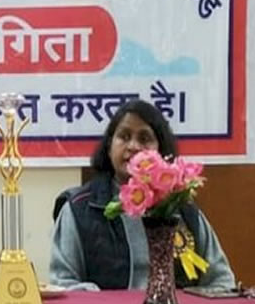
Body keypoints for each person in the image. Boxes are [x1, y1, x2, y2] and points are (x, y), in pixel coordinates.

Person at [49, 98, 236, 291]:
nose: (133, 146)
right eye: (124, 136)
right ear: (109, 147)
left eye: (145, 139)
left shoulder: (183, 209)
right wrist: (103, 301)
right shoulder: (79, 209)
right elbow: (62, 284)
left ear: (161, 150)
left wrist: (189, 302)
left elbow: (222, 281)